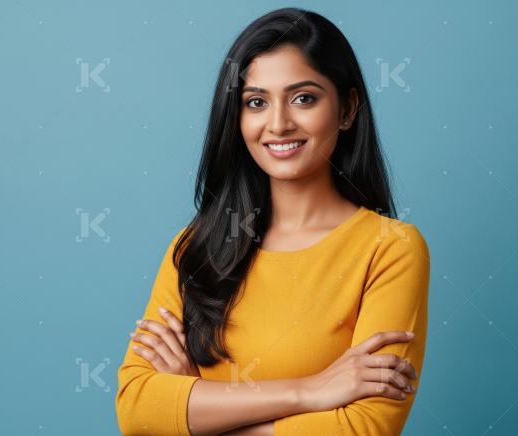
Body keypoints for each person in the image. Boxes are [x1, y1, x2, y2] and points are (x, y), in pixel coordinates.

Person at [115, 7, 430, 436]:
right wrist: (310, 391)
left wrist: (193, 407)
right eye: (256, 102)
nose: (278, 124)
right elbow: (136, 410)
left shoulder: (389, 248)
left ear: (347, 109)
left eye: (304, 98)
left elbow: (363, 427)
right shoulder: (196, 246)